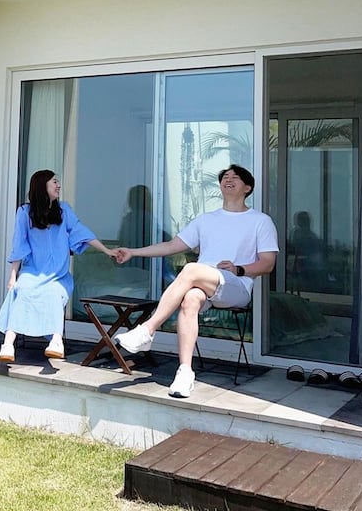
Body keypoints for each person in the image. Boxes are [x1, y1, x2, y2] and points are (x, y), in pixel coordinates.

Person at [114, 164, 278, 398]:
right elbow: (171, 246)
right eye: (225, 177)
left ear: (248, 187)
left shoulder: (260, 221)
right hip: (205, 284)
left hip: (237, 286)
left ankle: (148, 329)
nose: (228, 179)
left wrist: (239, 269)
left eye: (235, 177)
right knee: (190, 298)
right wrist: (132, 252)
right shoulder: (206, 220)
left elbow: (268, 263)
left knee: (191, 269)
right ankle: (185, 372)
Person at [0, 169, 116, 363]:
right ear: (42, 186)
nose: (58, 185)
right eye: (54, 182)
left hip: (58, 275)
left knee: (54, 293)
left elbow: (82, 233)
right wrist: (12, 277)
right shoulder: (24, 213)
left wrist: (107, 251)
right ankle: (8, 345)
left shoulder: (64, 210)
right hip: (32, 272)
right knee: (22, 290)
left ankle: (56, 342)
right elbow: (19, 245)